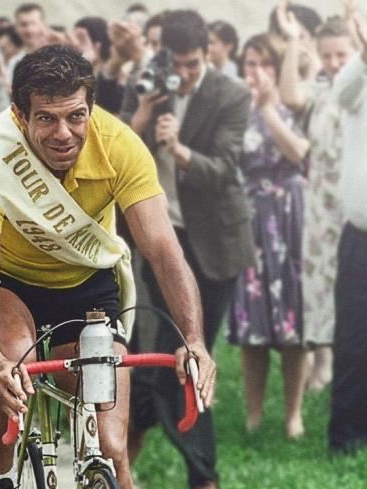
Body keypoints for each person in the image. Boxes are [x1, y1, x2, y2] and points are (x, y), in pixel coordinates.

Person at [0, 44, 217, 489]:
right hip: (11, 287)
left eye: (76, 116)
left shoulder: (119, 146)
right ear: (19, 116)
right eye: (46, 118)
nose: (64, 133)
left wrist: (193, 341)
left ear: (91, 108)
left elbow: (164, 251)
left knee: (113, 450)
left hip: (88, 287)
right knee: (10, 363)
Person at [120, 10, 253, 489]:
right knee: (166, 356)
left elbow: (226, 168)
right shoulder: (146, 83)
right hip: (162, 240)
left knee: (189, 356)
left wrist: (178, 150)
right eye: (176, 63)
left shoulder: (231, 93)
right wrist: (141, 114)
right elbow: (114, 149)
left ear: (208, 52)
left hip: (215, 245)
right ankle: (183, 467)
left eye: (193, 63)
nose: (185, 72)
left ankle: (199, 473)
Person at [228, 34, 310, 439]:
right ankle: (254, 415)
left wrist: (266, 109)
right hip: (252, 217)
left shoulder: (297, 105)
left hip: (291, 216)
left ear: (278, 70)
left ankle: (294, 415)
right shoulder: (236, 110)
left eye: (264, 64)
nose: (256, 72)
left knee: (295, 319)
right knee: (252, 324)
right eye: (250, 64)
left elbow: (298, 153)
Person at [279, 13, 358, 393]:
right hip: (322, 210)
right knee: (324, 289)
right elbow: (290, 97)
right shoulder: (322, 91)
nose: (333, 62)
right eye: (327, 56)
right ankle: (327, 363)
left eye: (341, 54)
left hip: (355, 208)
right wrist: (294, 41)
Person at [329, 11, 367, 454]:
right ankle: (347, 438)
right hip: (361, 235)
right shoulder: (358, 76)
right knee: (355, 341)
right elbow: (342, 93)